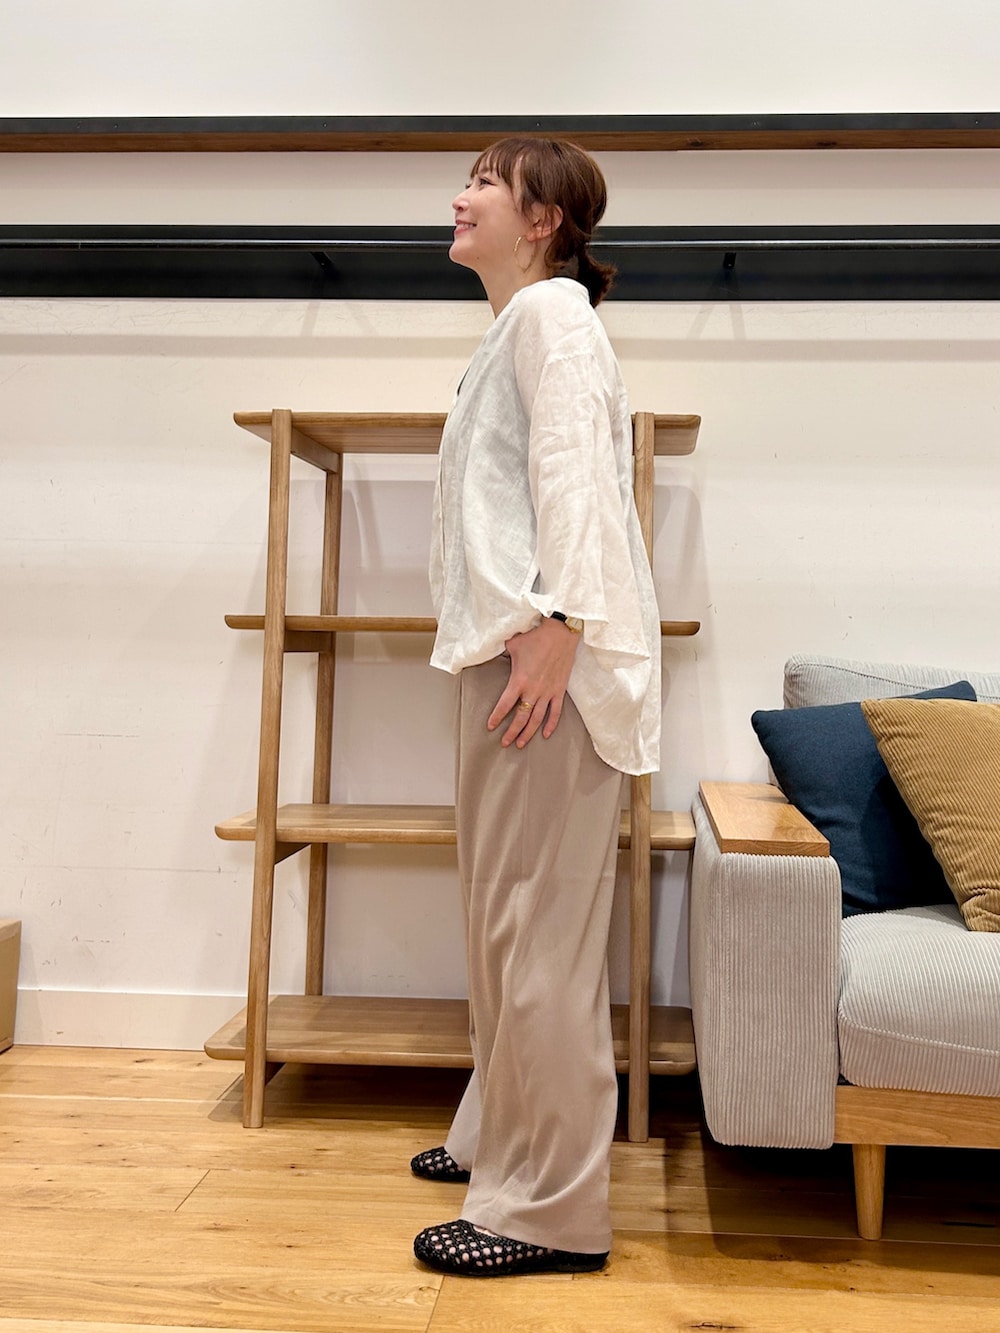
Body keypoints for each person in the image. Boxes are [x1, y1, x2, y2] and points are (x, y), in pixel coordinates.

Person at [411, 137, 661, 1278]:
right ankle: (495, 1138)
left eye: (484, 182)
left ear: (543, 216)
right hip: (517, 654)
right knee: (502, 923)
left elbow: (577, 480)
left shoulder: (553, 316)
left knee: (537, 937)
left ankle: (549, 1211)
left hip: (543, 660)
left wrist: (559, 622)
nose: (459, 198)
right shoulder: (520, 323)